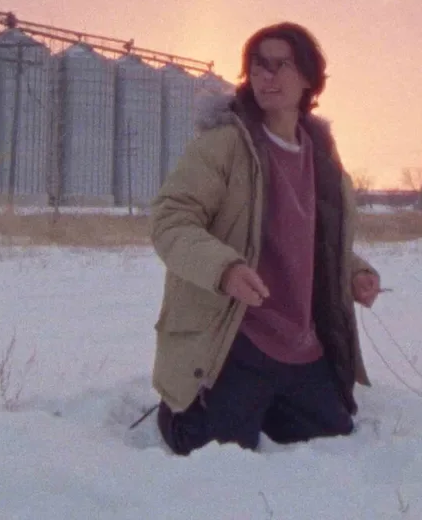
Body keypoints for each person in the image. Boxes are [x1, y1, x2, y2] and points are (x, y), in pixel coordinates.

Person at [149, 22, 381, 455]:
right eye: (258, 65)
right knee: (207, 448)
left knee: (335, 434)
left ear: (309, 78)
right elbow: (170, 221)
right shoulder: (223, 146)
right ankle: (182, 406)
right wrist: (225, 269)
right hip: (238, 334)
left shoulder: (323, 157)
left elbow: (313, 238)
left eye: (281, 65)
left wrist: (355, 272)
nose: (266, 76)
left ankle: (271, 398)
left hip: (300, 340)